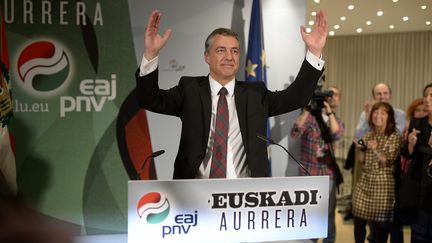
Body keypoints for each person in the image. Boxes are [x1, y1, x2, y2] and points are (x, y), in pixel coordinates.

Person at [135, 10, 328, 179]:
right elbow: (149, 99)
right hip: (193, 194)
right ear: (207, 57)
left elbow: (296, 98)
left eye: (234, 51)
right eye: (221, 50)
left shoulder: (256, 94)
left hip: (243, 197)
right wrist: (151, 54)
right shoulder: (190, 89)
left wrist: (314, 52)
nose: (229, 57)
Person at [290, 86, 345, 243]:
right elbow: (295, 132)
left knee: (328, 213)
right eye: (328, 94)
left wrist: (329, 112)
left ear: (338, 100)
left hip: (328, 173)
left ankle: (329, 240)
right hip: (309, 172)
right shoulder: (310, 119)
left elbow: (337, 134)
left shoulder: (337, 120)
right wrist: (308, 108)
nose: (330, 98)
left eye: (334, 95)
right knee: (310, 212)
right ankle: (310, 240)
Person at [352, 102, 402, 243]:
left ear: (389, 117)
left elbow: (388, 160)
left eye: (382, 113)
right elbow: (361, 161)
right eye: (375, 112)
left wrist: (375, 149)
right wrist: (359, 149)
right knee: (358, 223)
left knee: (380, 229)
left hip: (382, 186)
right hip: (364, 183)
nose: (378, 115)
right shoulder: (368, 135)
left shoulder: (394, 137)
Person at [400, 83, 432, 242]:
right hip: (418, 182)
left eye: (431, 96)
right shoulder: (417, 122)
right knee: (418, 231)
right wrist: (411, 144)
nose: (427, 99)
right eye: (426, 95)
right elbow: (406, 153)